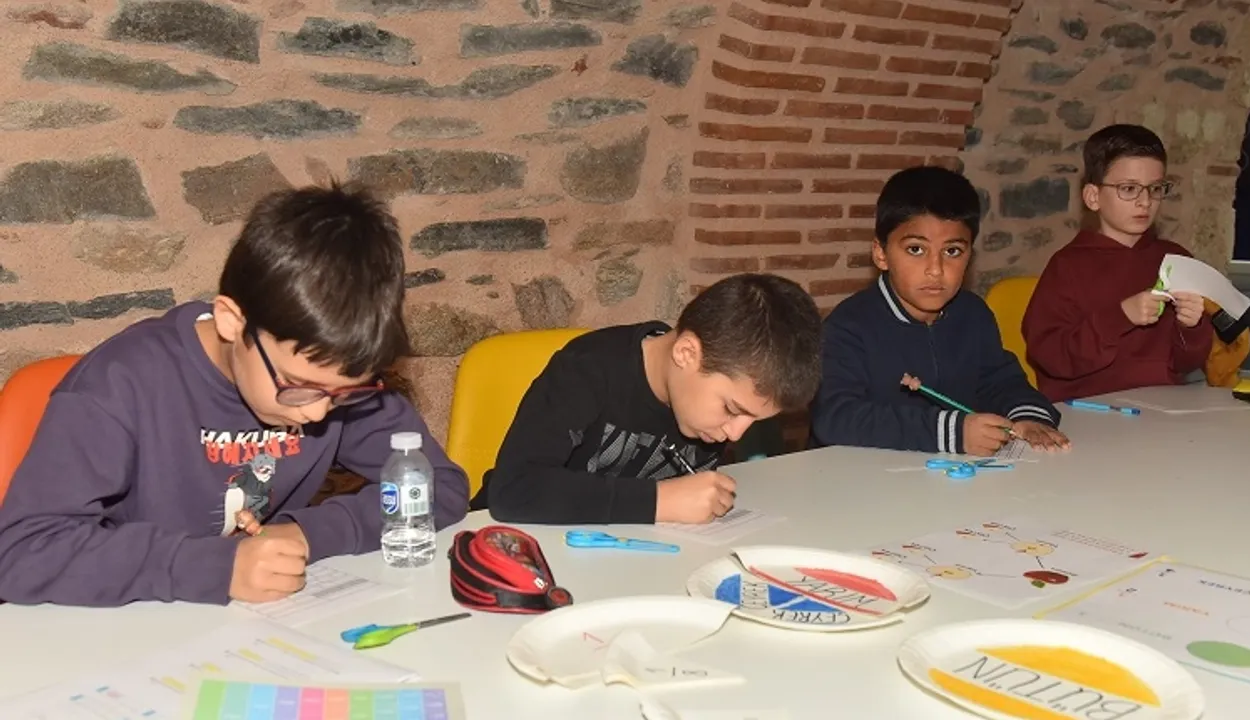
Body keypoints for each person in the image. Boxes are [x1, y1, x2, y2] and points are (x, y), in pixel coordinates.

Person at [0, 182, 469, 608]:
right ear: (231, 321)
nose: (317, 412)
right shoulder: (119, 384)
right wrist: (215, 567)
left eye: (343, 394)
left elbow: (440, 488)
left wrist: (306, 535)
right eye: (297, 386)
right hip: (121, 625)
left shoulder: (333, 382)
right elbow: (21, 551)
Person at [476, 273, 823, 525]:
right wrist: (660, 502)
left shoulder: (702, 409)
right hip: (501, 539)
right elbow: (514, 490)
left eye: (753, 420)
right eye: (731, 409)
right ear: (686, 353)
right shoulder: (588, 369)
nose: (735, 434)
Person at [809, 166, 1068, 456]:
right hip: (859, 477)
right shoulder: (848, 326)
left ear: (970, 255)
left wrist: (1029, 417)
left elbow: (1001, 381)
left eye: (952, 251)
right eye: (916, 249)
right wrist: (953, 433)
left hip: (952, 475)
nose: (936, 269)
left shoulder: (974, 314)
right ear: (881, 253)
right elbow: (835, 418)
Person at [1022, 124, 1213, 402]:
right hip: (1088, 407)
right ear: (1093, 197)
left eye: (1155, 188)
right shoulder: (1067, 266)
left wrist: (1191, 327)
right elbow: (1051, 357)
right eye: (1129, 188)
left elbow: (1187, 363)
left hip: (1163, 405)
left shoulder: (1175, 260)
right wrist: (1121, 316)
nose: (1145, 201)